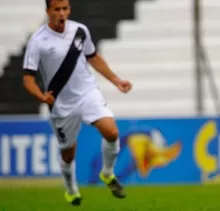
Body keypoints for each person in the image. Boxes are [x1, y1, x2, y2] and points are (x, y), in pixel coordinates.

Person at [22, 0, 132, 206]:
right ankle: (71, 189)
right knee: (68, 153)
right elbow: (28, 78)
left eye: (65, 9)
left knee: (112, 132)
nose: (62, 13)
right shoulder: (38, 40)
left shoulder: (80, 30)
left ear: (69, 9)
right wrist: (41, 96)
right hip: (61, 104)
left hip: (87, 93)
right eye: (57, 9)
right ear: (48, 11)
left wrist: (116, 80)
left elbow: (94, 57)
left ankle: (108, 173)